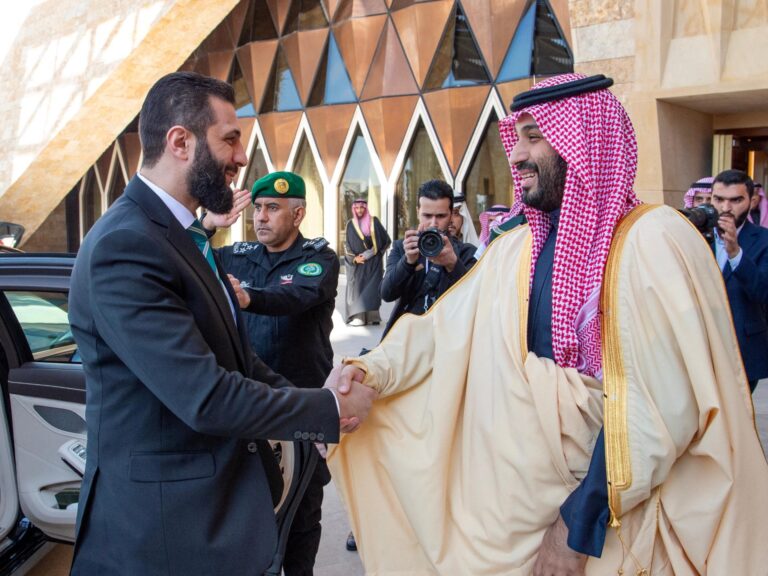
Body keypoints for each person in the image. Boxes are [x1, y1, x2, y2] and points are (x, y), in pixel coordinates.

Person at [325, 74, 768, 574]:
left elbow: (659, 408)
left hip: (607, 518)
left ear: (585, 142)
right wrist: (369, 373)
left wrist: (576, 527)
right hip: (509, 510)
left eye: (534, 137)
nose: (516, 156)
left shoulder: (651, 241)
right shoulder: (514, 249)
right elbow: (437, 330)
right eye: (517, 138)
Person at [67, 72, 376, 576]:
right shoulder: (125, 245)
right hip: (162, 540)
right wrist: (328, 407)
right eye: (230, 139)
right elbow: (206, 397)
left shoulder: (180, 235)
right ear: (180, 142)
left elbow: (238, 359)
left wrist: (317, 405)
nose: (241, 158)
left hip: (211, 523)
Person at [202, 171, 340, 576]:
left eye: (272, 208)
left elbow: (295, 296)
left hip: (300, 406)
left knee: (302, 514)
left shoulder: (319, 258)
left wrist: (248, 296)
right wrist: (208, 224)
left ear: (297, 215)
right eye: (258, 208)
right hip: (248, 407)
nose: (260, 217)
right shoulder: (237, 255)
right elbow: (183, 256)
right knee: (247, 509)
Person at [380, 179, 476, 336]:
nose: (433, 223)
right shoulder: (402, 247)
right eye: (427, 215)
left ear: (451, 215)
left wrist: (453, 264)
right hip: (408, 338)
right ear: (418, 212)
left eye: (441, 216)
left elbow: (474, 300)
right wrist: (407, 263)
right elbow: (387, 294)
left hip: (449, 338)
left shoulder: (467, 252)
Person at [710, 169, 768, 393]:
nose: (726, 208)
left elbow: (762, 291)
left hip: (743, 349)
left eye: (736, 200)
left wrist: (735, 253)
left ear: (752, 201)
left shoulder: (763, 240)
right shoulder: (694, 235)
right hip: (700, 346)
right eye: (719, 199)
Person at [343, 197, 391, 326]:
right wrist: (355, 258)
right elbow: (347, 244)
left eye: (362, 208)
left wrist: (368, 255)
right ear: (354, 209)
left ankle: (373, 317)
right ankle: (358, 317)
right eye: (357, 208)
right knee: (357, 289)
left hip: (373, 262)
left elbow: (385, 240)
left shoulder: (374, 221)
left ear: (365, 208)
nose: (359, 210)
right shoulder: (350, 224)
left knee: (372, 290)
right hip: (358, 263)